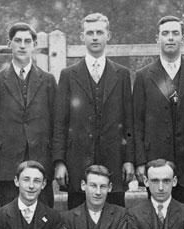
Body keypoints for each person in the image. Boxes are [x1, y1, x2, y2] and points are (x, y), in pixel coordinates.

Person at [53, 13, 135, 210]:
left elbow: (129, 121)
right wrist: (60, 162)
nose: (95, 37)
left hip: (114, 160)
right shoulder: (68, 75)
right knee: (77, 221)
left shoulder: (122, 74)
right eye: (90, 33)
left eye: (100, 32)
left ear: (109, 35)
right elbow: (60, 122)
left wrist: (129, 160)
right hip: (78, 161)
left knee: (115, 219)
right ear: (83, 37)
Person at [133, 16, 184, 205]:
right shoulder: (143, 76)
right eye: (165, 33)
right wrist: (140, 161)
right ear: (157, 39)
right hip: (156, 165)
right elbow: (137, 123)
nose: (170, 38)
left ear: (182, 39)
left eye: (175, 33)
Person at [0, 22, 57, 207]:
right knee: (9, 218)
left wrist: (49, 153)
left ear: (34, 45)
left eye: (27, 41)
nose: (22, 45)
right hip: (7, 164)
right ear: (9, 44)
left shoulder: (47, 80)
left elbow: (57, 122)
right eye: (17, 40)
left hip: (41, 160)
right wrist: (1, 149)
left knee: (43, 216)